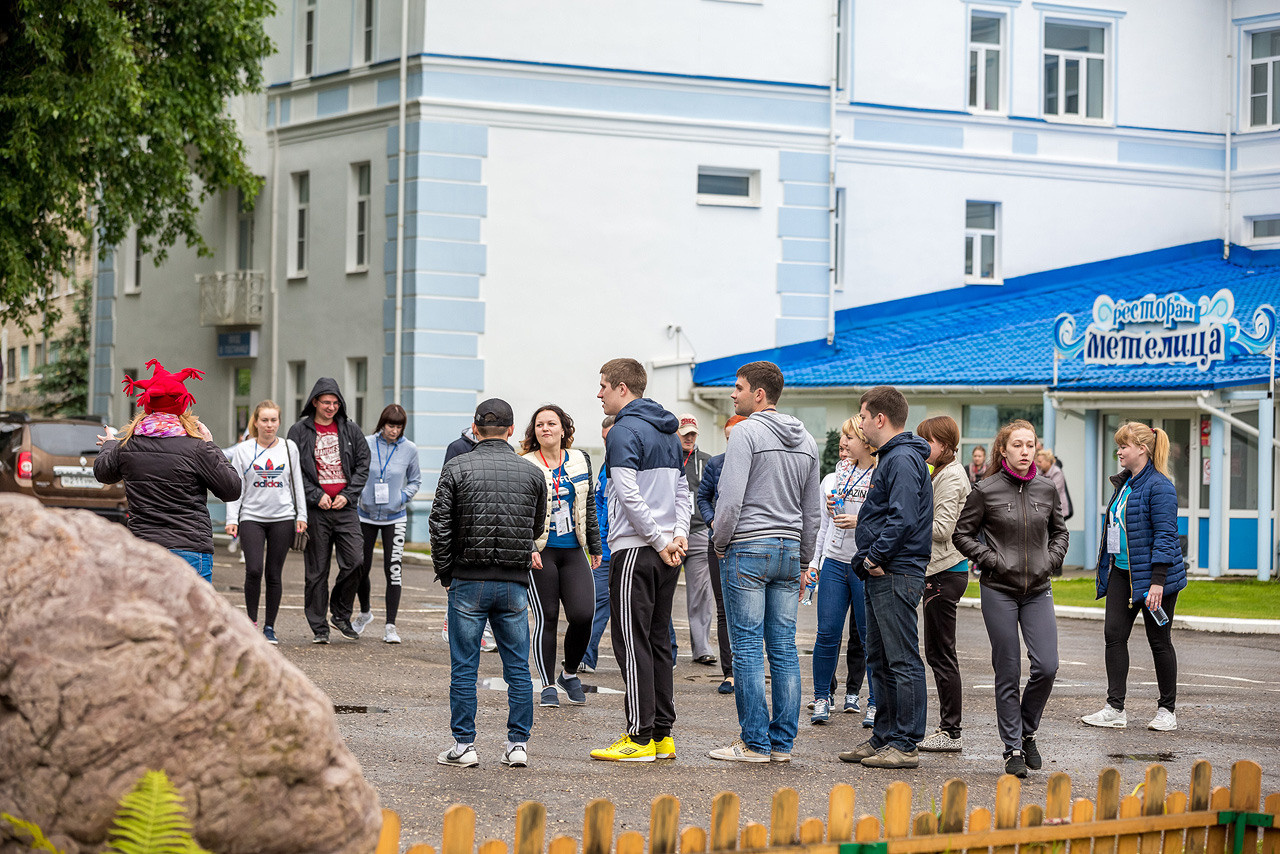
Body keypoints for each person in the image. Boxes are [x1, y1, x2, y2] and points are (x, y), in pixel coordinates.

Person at [709, 361, 821, 764]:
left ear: (759, 394)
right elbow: (813, 511)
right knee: (784, 649)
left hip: (748, 548)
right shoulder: (806, 440)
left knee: (747, 649)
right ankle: (781, 745)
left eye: (739, 388)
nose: (733, 394)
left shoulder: (746, 433)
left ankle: (754, 743)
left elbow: (731, 499)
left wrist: (720, 542)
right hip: (790, 551)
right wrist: (804, 555)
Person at [429, 398, 547, 769]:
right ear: (512, 430)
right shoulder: (531, 472)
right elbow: (537, 527)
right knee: (518, 669)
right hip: (514, 582)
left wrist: (446, 571)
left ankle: (464, 745)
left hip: (468, 578)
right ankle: (517, 745)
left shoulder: (456, 466)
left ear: (475, 429)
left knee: (464, 666)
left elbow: (439, 525)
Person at [953, 419, 1068, 778]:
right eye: (1017, 445)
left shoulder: (1047, 489)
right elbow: (962, 534)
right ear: (1003, 449)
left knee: (1047, 666)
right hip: (998, 590)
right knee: (1008, 669)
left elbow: (1060, 533)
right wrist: (991, 560)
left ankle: (1027, 729)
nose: (1024, 451)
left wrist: (1050, 560)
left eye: (1030, 445)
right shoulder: (985, 490)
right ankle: (1012, 747)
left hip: (1037, 590)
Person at [590, 358, 690, 763]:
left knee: (632, 642)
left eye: (603, 386)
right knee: (659, 641)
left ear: (622, 388)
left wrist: (657, 538)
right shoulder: (669, 431)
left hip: (636, 549)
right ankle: (662, 734)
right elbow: (683, 490)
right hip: (668, 552)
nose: (599, 394)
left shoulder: (622, 431)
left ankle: (639, 735)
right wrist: (676, 536)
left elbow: (629, 495)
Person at [839, 385, 932, 770]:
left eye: (862, 417)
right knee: (879, 658)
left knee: (902, 659)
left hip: (895, 571)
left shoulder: (903, 459)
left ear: (879, 419)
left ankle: (906, 743)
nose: (860, 424)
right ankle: (884, 736)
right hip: (881, 571)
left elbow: (903, 517)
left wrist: (876, 556)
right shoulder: (892, 457)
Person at [94, 360, 240, 583]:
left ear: (148, 405)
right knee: (193, 617)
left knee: (148, 617)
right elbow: (231, 489)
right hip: (190, 549)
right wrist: (211, 446)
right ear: (182, 406)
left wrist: (110, 444)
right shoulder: (197, 448)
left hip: (143, 550)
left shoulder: (127, 446)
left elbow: (103, 473)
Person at [1082, 422, 1187, 733]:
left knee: (1159, 641)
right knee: (1113, 635)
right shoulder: (1125, 484)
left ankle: (1167, 710)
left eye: (1124, 445)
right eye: (1119, 445)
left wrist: (1158, 581)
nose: (1119, 451)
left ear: (1142, 449)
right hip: (1122, 572)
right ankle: (1115, 708)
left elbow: (1167, 536)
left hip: (1156, 578)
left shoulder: (1160, 487)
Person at [520, 404, 602, 708]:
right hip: (542, 552)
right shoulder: (526, 464)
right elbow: (520, 513)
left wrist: (595, 545)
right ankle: (547, 684)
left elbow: (589, 505)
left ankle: (569, 673)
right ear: (534, 431)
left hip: (573, 550)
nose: (546, 429)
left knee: (583, 614)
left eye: (551, 423)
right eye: (540, 424)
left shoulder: (580, 459)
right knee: (548, 618)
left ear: (563, 428)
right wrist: (529, 547)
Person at [287, 378, 371, 644]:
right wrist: (316, 495)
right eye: (326, 402)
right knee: (316, 571)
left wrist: (347, 495)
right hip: (316, 510)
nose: (331, 407)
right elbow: (294, 469)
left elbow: (363, 464)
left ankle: (340, 612)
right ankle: (318, 626)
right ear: (314, 402)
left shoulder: (350, 429)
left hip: (345, 508)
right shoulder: (299, 431)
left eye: (335, 403)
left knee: (356, 561)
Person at [806, 416, 876, 727]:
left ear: (865, 441)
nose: (843, 443)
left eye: (849, 437)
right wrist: (814, 563)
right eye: (843, 438)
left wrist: (859, 523)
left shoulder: (879, 475)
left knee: (868, 637)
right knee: (827, 633)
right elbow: (822, 527)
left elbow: (888, 521)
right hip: (833, 562)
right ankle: (822, 696)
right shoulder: (831, 480)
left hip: (864, 563)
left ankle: (874, 701)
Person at [224, 400, 308, 643]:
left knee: (274, 574)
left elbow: (297, 484)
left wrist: (301, 515)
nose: (269, 425)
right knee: (253, 570)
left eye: (274, 420)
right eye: (265, 420)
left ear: (279, 422)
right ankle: (251, 622)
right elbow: (235, 486)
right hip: (252, 517)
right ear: (256, 422)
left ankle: (269, 627)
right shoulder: (244, 449)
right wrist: (233, 519)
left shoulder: (289, 447)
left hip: (283, 517)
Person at [914, 416, 972, 752]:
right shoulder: (941, 473)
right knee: (938, 651)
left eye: (928, 442)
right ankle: (949, 728)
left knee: (941, 653)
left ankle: (950, 730)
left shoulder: (952, 477)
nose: (924, 448)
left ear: (945, 445)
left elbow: (941, 529)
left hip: (945, 572)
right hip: (938, 572)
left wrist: (907, 522)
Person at [354, 404, 421, 644]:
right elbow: (356, 472)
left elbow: (415, 480)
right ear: (382, 423)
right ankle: (364, 613)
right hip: (365, 515)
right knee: (360, 566)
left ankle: (390, 626)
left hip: (395, 517)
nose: (394, 430)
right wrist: (360, 495)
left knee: (393, 570)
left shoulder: (409, 449)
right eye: (391, 425)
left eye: (399, 426)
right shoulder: (366, 443)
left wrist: (401, 497)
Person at [697, 414, 746, 695]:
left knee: (748, 611)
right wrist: (712, 520)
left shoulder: (756, 463)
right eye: (728, 439)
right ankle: (729, 672)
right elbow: (703, 497)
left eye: (735, 438)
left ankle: (747, 668)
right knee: (724, 608)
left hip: (748, 542)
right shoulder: (715, 463)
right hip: (718, 541)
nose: (732, 443)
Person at [675, 414, 717, 666]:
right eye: (685, 433)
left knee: (701, 593)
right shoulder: (665, 460)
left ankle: (701, 647)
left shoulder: (706, 461)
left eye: (693, 433)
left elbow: (714, 495)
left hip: (700, 532)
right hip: (670, 535)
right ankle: (662, 647)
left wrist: (711, 523)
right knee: (661, 593)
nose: (689, 438)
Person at [582, 415, 615, 675]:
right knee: (596, 600)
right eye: (604, 439)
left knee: (645, 602)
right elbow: (599, 507)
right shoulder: (605, 465)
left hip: (628, 545)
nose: (608, 443)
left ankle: (668, 651)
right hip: (604, 548)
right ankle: (586, 655)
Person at [1037, 448, 1071, 520]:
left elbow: (1053, 492)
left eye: (1040, 462)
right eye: (1037, 462)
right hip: (1046, 510)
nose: (1038, 464)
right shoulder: (1040, 473)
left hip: (1058, 510)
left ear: (1048, 461)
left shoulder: (1057, 472)